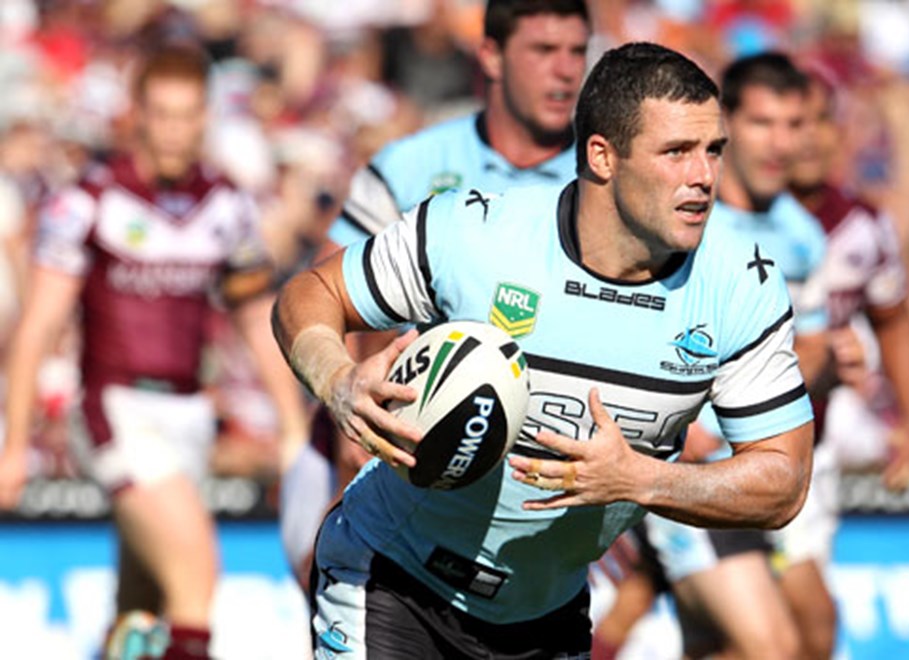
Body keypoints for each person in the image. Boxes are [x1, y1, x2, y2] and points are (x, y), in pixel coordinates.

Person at [272, 42, 815, 658]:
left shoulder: (741, 287)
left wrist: (643, 479)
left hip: (547, 612)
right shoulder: (475, 235)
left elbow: (784, 481)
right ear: (602, 156)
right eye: (676, 152)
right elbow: (311, 293)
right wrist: (336, 379)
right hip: (394, 580)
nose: (704, 176)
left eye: (713, 149)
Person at [0, 45, 308, 660]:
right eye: (162, 114)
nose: (173, 130)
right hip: (115, 409)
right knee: (196, 574)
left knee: (139, 610)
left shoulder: (225, 203)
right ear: (137, 115)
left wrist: (293, 428)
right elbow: (37, 326)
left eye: (187, 115)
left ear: (204, 118)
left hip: (189, 414)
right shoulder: (88, 201)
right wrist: (14, 447)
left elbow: (255, 319)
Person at [278, 0, 591, 588]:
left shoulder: (597, 182)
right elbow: (328, 290)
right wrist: (353, 401)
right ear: (491, 55)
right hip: (384, 440)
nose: (565, 70)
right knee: (330, 588)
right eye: (544, 50)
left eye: (577, 51)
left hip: (526, 473)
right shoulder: (410, 164)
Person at [598, 51, 829, 660]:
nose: (780, 143)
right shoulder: (681, 219)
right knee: (771, 646)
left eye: (794, 125)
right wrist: (680, 415)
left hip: (755, 465)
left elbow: (811, 345)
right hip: (686, 462)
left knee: (810, 630)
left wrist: (824, 367)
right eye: (762, 124)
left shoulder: (802, 235)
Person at [784, 65, 909, 660]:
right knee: (809, 624)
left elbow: (893, 319)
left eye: (820, 120)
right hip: (727, 450)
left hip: (814, 455)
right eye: (792, 123)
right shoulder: (720, 221)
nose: (808, 137)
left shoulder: (864, 225)